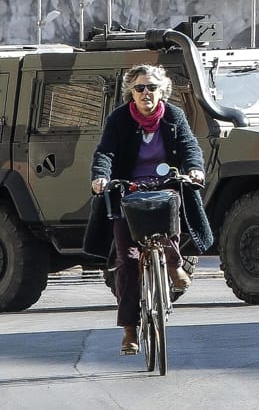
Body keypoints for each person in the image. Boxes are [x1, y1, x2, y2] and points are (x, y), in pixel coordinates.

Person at [87, 64, 212, 356]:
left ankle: (174, 263)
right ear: (131, 91)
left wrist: (194, 170)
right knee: (127, 259)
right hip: (127, 190)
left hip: (163, 186)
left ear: (162, 91)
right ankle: (130, 330)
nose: (146, 93)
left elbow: (189, 145)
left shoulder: (173, 116)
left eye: (152, 87)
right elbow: (106, 152)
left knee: (171, 212)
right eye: (140, 88)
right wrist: (101, 177)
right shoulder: (119, 119)